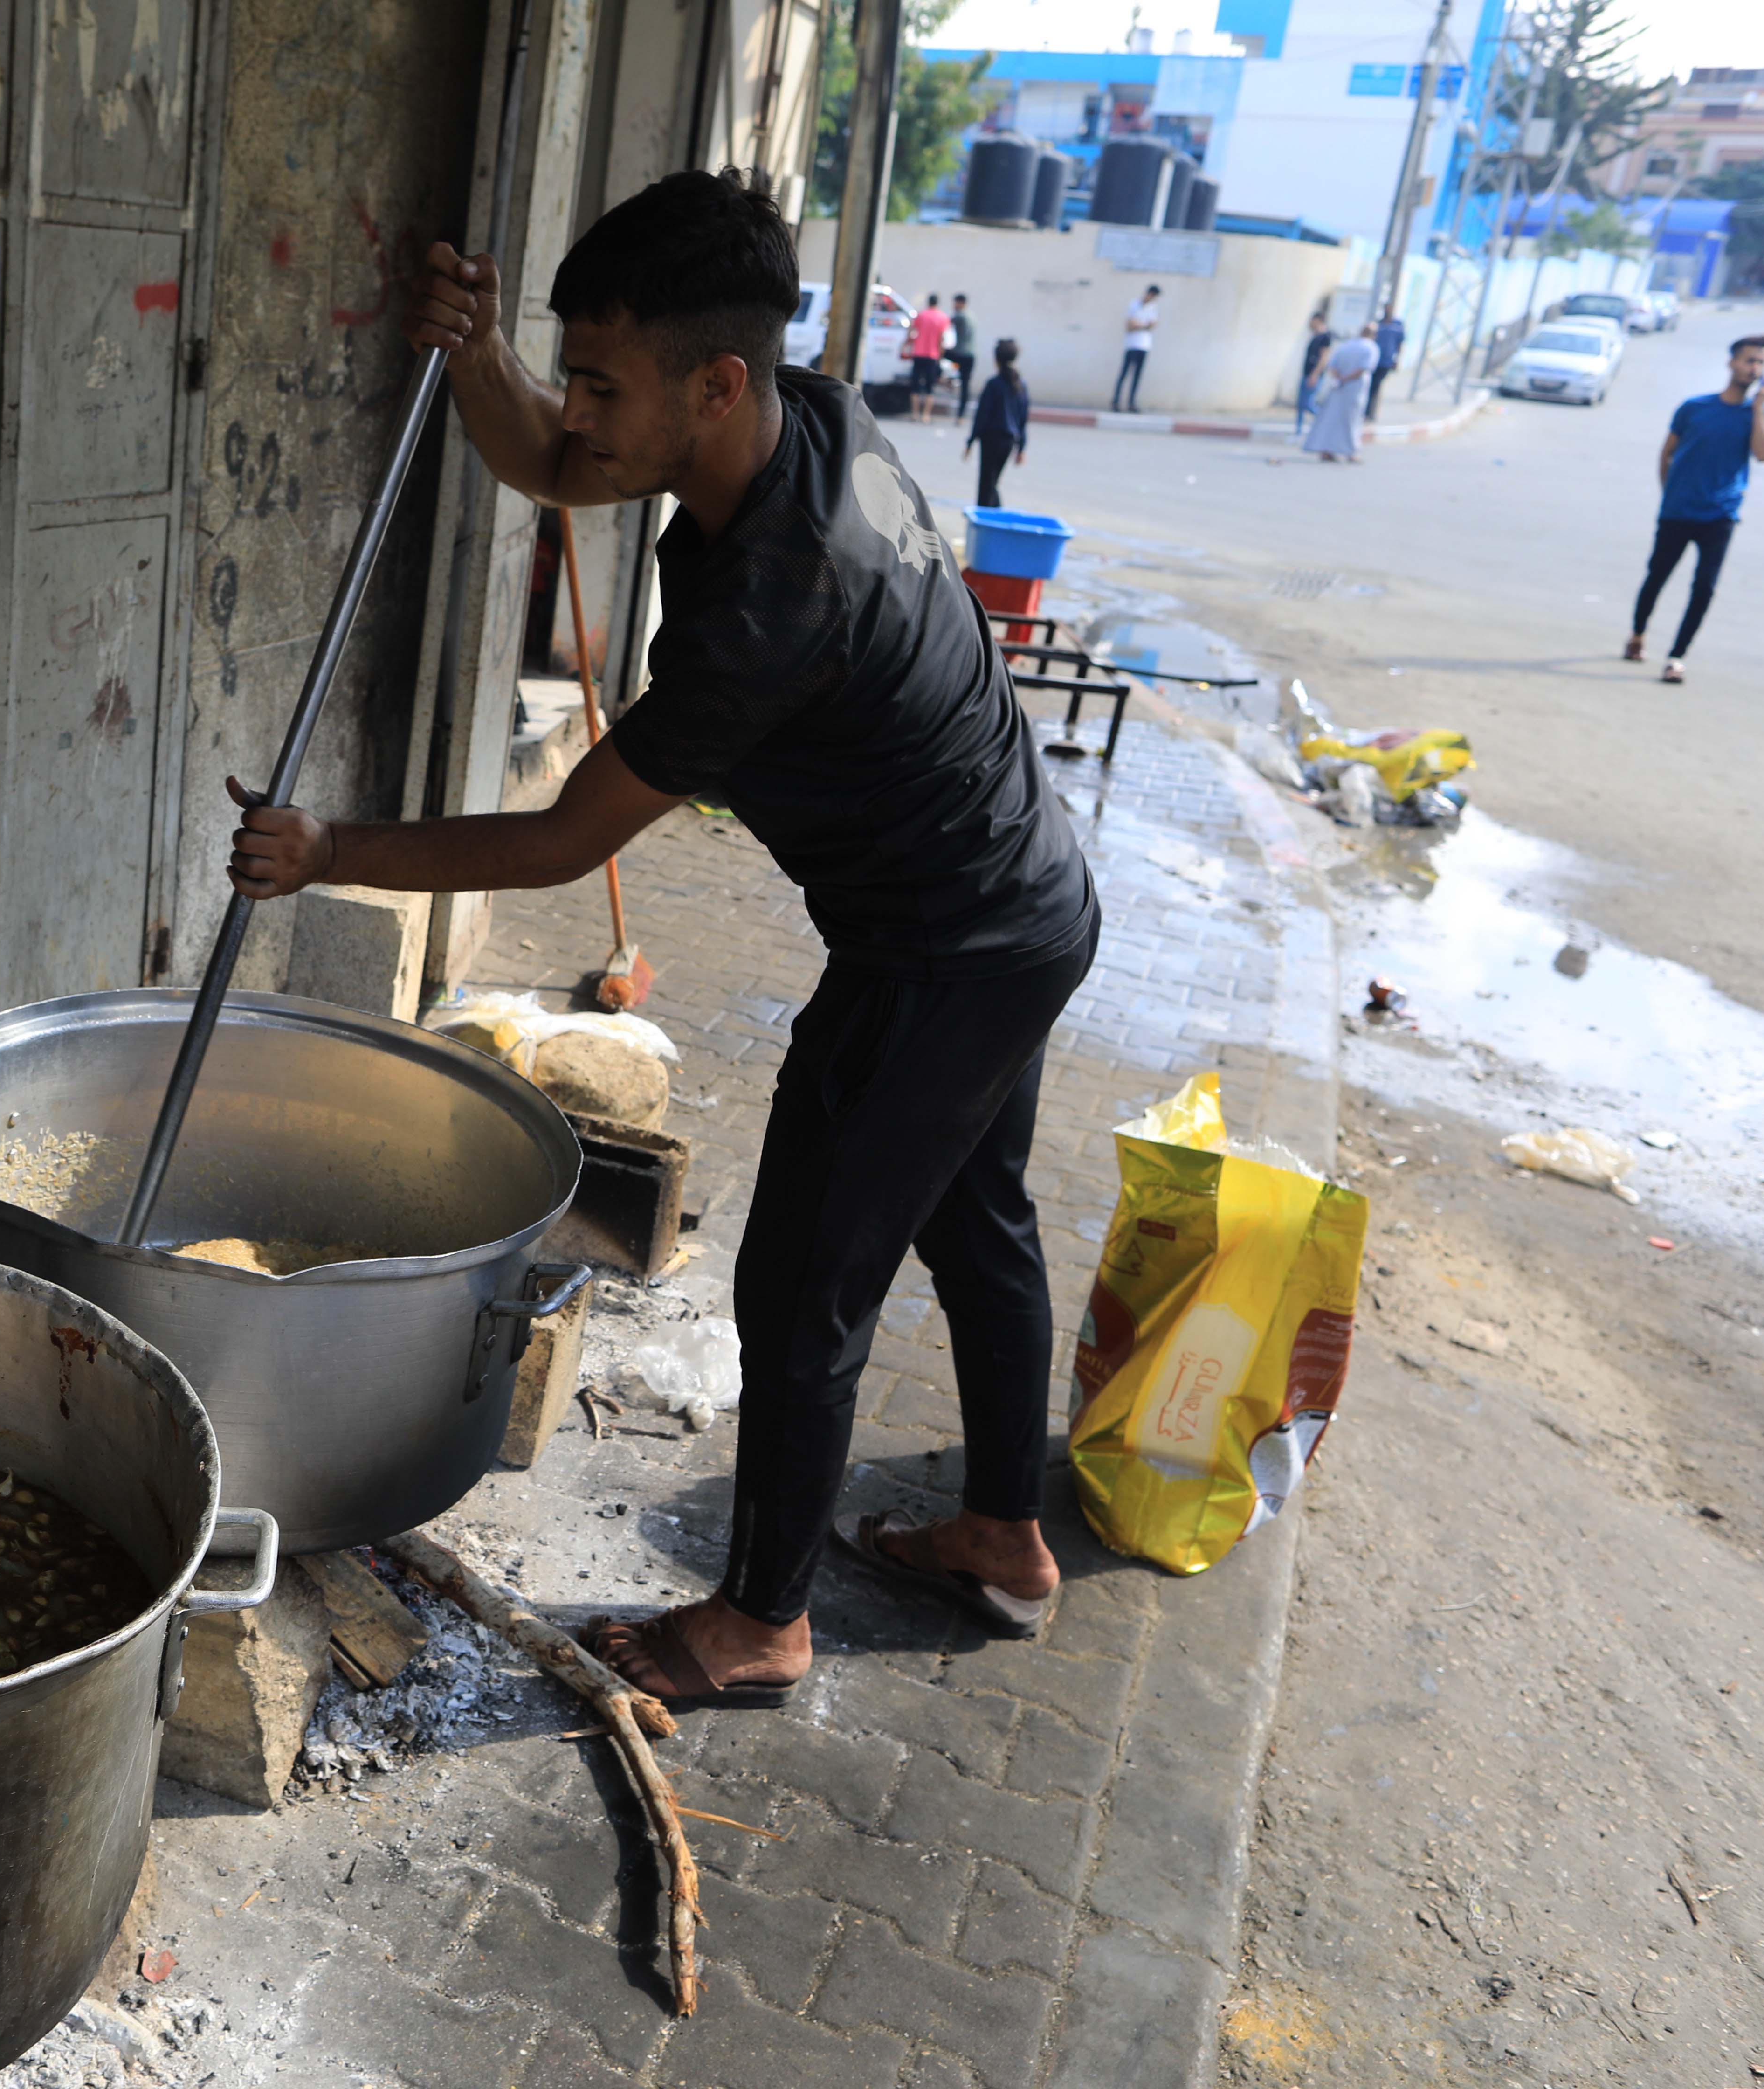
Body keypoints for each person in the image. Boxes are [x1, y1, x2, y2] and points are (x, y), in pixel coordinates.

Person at [227, 172, 1100, 1702]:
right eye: (574, 373)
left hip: (942, 947)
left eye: (605, 384)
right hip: (1025, 896)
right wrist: (480, 357)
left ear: (715, 384)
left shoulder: (773, 603)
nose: (580, 412)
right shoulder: (800, 413)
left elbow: (564, 839)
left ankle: (762, 1624)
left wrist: (327, 853)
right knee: (980, 1219)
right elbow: (562, 472)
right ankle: (1007, 1537)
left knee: (805, 1284)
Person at [1627, 334, 1764, 684]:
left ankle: (1677, 656)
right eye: (1749, 360)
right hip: (1678, 511)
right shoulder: (1695, 408)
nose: (1754, 368)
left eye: (1761, 363)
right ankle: (1638, 635)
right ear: (1732, 363)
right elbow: (1666, 454)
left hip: (1721, 516)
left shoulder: (1760, 414)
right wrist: (1671, 495)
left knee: (1705, 587)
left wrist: (1758, 409)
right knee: (1657, 577)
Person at [962, 337, 1028, 510]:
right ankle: (996, 515)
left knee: (987, 484)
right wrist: (1022, 447)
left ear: (996, 359)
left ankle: (989, 520)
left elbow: (983, 415)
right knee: (992, 482)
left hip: (991, 439)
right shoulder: (1021, 385)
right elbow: (1023, 419)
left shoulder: (994, 384)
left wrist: (971, 441)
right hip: (1009, 442)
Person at [1302, 323, 1377, 462]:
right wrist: (1347, 379)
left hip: (1339, 387)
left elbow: (1332, 366)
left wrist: (1341, 378)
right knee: (1351, 421)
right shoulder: (1371, 348)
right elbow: (1364, 369)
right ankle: (1351, 453)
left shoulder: (1346, 346)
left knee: (1332, 419)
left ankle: (1327, 450)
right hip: (1355, 390)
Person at [1112, 284, 1160, 410]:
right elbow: (1130, 326)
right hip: (1132, 345)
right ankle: (1116, 402)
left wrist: (1140, 325)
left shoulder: (1153, 308)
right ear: (1148, 293)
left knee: (1137, 376)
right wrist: (1144, 326)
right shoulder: (1134, 305)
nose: (1153, 298)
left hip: (1144, 346)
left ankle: (1131, 404)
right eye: (1152, 296)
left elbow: (1153, 325)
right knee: (1124, 374)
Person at [906, 293, 951, 422]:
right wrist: (941, 355)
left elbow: (911, 331)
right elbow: (943, 339)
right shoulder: (943, 318)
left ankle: (915, 413)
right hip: (933, 355)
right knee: (930, 387)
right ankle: (926, 415)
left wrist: (910, 343)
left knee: (915, 385)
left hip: (918, 354)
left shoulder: (921, 315)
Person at [1295, 308, 1334, 439]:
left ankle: (1326, 422)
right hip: (1307, 374)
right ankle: (1298, 432)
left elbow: (1324, 358)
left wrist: (1315, 375)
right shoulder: (1315, 336)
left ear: (1318, 321)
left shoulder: (1325, 337)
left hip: (1314, 376)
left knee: (1308, 404)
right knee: (1301, 405)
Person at [1366, 310, 1406, 420]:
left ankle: (1370, 413)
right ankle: (1366, 412)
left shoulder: (1397, 327)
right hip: (1374, 361)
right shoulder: (1378, 325)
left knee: (1375, 387)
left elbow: (1400, 344)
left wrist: (1397, 360)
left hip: (1386, 362)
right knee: (1369, 387)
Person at [946, 293, 978, 414]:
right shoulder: (971, 316)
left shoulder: (961, 316)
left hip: (960, 354)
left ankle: (947, 378)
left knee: (938, 355)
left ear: (960, 303)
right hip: (970, 355)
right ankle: (961, 414)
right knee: (966, 385)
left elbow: (946, 323)